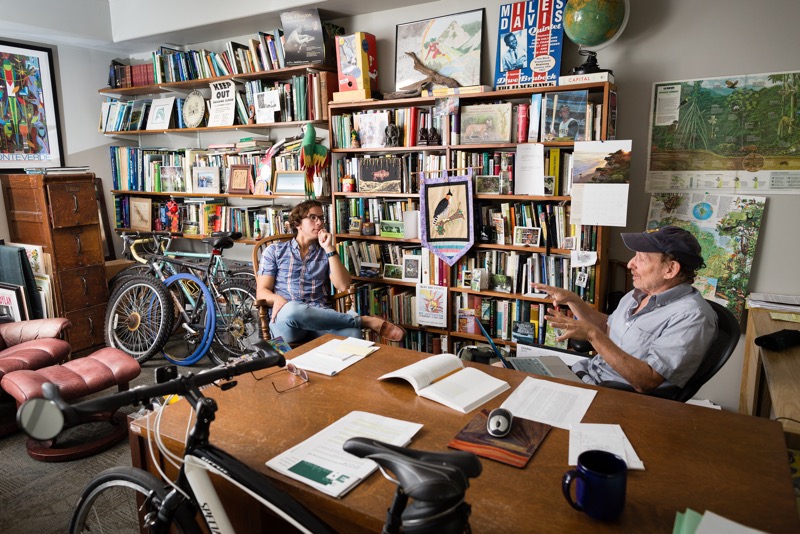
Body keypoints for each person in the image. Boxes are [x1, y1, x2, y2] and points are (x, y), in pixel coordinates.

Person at [535, 226, 718, 394]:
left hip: (611, 394)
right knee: (523, 378)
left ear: (670, 270)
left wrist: (591, 334)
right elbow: (607, 328)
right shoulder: (638, 293)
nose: (630, 264)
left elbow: (647, 380)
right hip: (584, 373)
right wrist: (573, 300)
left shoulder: (693, 316)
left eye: (641, 258)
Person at [256, 200, 406, 344]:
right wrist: (276, 299)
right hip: (287, 322)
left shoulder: (325, 253)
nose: (319, 222)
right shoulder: (275, 251)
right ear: (297, 223)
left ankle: (354, 331)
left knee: (353, 334)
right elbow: (262, 292)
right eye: (313, 218)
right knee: (293, 309)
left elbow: (343, 285)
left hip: (320, 320)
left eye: (321, 218)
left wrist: (329, 249)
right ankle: (363, 321)